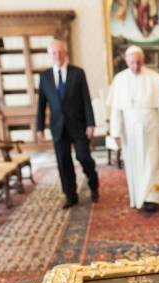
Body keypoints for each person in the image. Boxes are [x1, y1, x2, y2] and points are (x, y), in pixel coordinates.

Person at [107, 45, 159, 213]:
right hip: (130, 131)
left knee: (153, 162)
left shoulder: (155, 77)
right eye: (132, 63)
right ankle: (139, 197)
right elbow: (116, 110)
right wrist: (115, 133)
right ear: (126, 61)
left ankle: (153, 198)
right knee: (134, 163)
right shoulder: (119, 79)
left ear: (143, 61)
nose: (135, 66)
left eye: (138, 62)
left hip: (152, 127)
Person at [36, 39, 99, 209]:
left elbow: (86, 99)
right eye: (54, 53)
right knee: (63, 162)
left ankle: (94, 184)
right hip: (58, 127)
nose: (57, 55)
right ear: (50, 55)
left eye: (60, 52)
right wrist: (39, 127)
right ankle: (70, 195)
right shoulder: (44, 77)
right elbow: (41, 104)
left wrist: (90, 123)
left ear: (66, 53)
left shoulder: (77, 73)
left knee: (83, 157)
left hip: (79, 125)